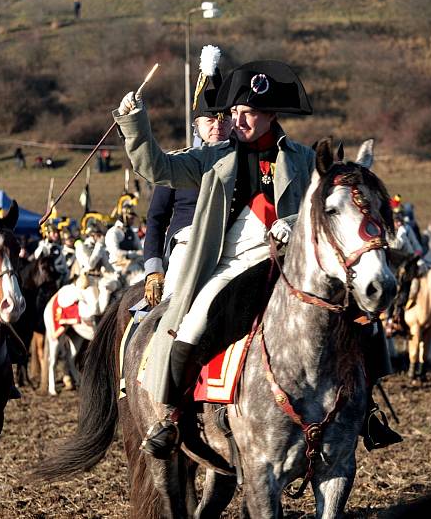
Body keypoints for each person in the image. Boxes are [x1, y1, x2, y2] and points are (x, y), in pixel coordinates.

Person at [115, 60, 401, 457]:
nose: (237, 120)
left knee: (360, 318)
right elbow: (157, 168)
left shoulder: (302, 158)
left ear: (270, 115)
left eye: (246, 113)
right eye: (234, 113)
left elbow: (326, 201)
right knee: (191, 325)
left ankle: (365, 411)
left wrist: (292, 220)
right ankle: (172, 415)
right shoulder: (213, 157)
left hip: (290, 259)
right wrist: (134, 122)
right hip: (231, 261)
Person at [143, 44, 232, 306]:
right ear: (197, 124)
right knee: (174, 305)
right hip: (187, 243)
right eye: (210, 121)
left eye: (224, 120)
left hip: (233, 244)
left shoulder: (245, 161)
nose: (218, 126)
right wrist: (154, 268)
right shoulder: (177, 162)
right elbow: (156, 218)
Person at [105, 203, 143, 272]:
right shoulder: (113, 232)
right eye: (131, 218)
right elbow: (116, 252)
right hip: (117, 267)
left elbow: (140, 249)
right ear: (124, 216)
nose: (133, 221)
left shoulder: (132, 232)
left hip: (133, 265)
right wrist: (135, 254)